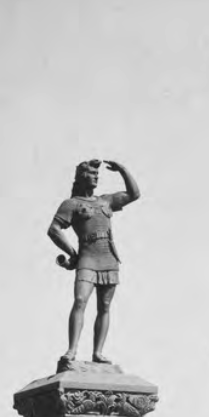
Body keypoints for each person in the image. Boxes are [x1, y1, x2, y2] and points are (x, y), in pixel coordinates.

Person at [47, 157, 141, 366]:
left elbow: (134, 194)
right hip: (87, 257)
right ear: (81, 177)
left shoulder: (105, 201)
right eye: (91, 174)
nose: (95, 177)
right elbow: (53, 230)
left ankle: (97, 352)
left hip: (108, 256)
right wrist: (72, 252)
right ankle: (72, 351)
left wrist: (122, 169)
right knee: (80, 301)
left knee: (105, 306)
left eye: (97, 175)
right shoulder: (71, 204)